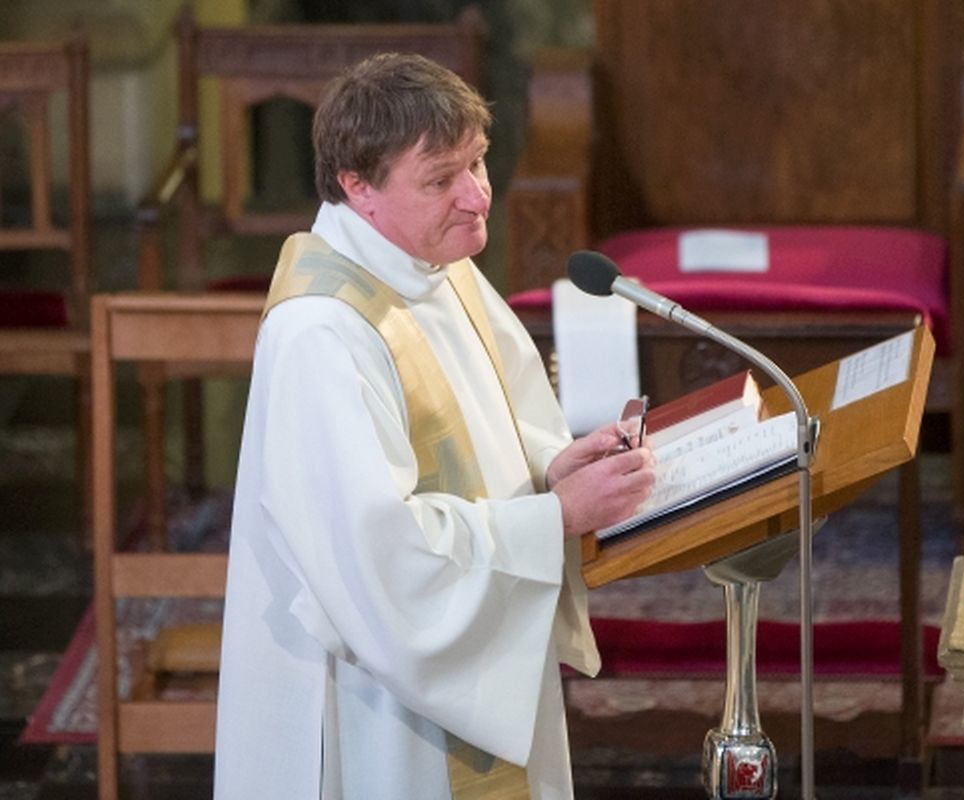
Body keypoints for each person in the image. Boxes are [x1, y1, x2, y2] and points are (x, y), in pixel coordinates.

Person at [213, 53, 656, 799]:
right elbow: (380, 558)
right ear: (358, 187)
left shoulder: (429, 263)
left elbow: (489, 417)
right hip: (385, 709)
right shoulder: (322, 332)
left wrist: (553, 466)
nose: (477, 197)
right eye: (441, 179)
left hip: (459, 664)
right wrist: (558, 518)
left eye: (478, 163)